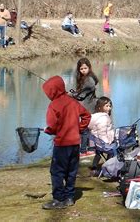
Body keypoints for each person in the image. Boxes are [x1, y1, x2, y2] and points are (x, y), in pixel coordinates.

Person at [42, 75, 91, 209]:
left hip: (62, 144)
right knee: (71, 170)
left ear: (52, 91)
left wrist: (49, 131)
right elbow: (87, 115)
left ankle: (58, 199)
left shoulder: (53, 105)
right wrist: (79, 128)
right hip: (75, 143)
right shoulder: (73, 102)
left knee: (57, 172)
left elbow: (52, 126)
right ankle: (69, 197)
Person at [70, 58, 98, 155]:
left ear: (89, 67)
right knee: (88, 129)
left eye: (85, 68)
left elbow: (81, 96)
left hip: (88, 108)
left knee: (84, 130)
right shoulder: (85, 79)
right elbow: (80, 93)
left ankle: (85, 150)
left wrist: (71, 94)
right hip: (87, 107)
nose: (83, 70)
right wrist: (74, 93)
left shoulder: (89, 80)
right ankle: (89, 148)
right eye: (81, 69)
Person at [88, 96, 115, 175]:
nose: (109, 108)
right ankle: (109, 168)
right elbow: (102, 133)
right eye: (106, 106)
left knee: (98, 154)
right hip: (103, 143)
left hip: (96, 143)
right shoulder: (103, 118)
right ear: (100, 107)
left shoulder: (95, 116)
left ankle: (94, 167)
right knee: (114, 150)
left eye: (110, 106)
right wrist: (108, 142)